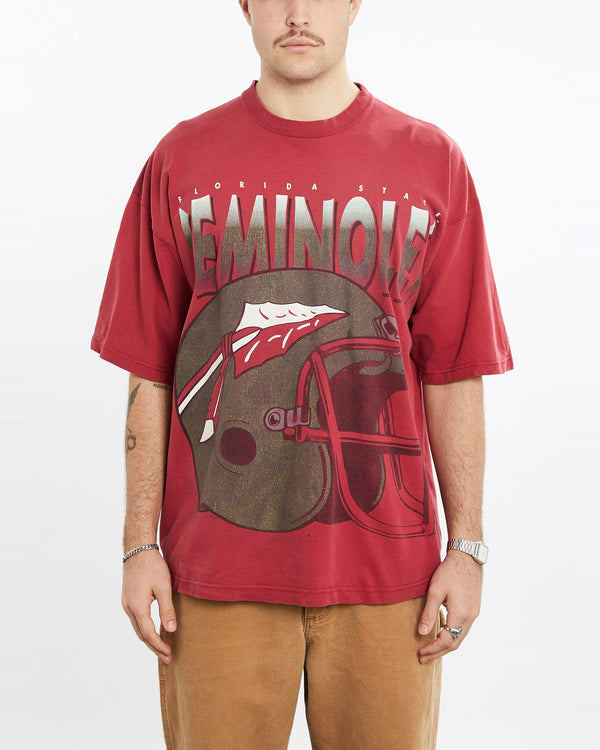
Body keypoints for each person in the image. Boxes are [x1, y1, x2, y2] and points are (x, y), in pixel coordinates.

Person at [92, 1, 513, 747]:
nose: (297, 14)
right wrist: (138, 544)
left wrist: (468, 547)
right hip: (215, 576)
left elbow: (454, 370)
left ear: (354, 3)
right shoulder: (182, 160)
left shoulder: (431, 162)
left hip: (391, 580)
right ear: (245, 6)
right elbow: (150, 372)